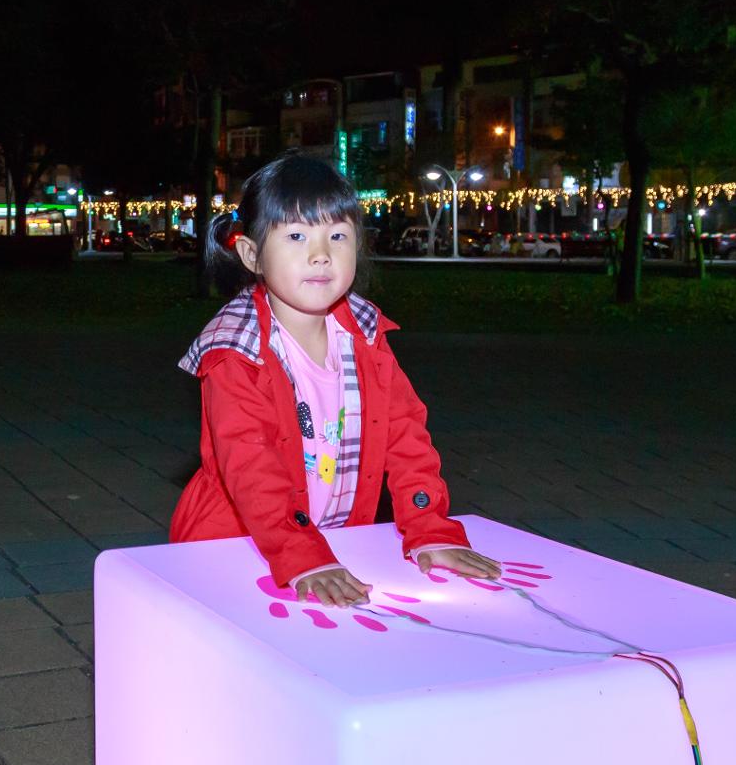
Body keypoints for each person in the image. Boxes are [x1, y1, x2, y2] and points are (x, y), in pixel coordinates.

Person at [171, 153, 502, 606]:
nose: (321, 254)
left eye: (338, 235)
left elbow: (406, 437)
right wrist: (301, 555)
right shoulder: (235, 351)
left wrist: (430, 529)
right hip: (233, 549)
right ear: (252, 254)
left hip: (333, 544)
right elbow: (250, 466)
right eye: (296, 236)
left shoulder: (364, 335)